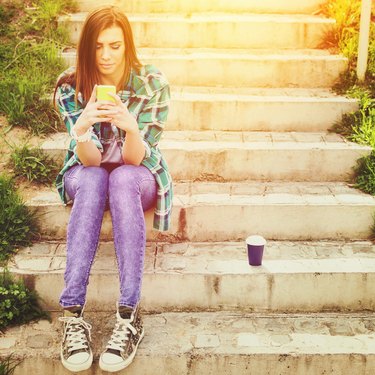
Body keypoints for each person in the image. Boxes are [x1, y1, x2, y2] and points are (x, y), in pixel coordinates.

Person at [53, 6, 172, 373]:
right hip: (86, 173)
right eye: (98, 46)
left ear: (127, 46)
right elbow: (88, 162)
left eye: (115, 46)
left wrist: (131, 128)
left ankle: (129, 315)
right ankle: (73, 315)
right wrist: (82, 128)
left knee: (119, 177)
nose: (105, 56)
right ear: (87, 49)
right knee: (95, 178)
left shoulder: (152, 83)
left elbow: (136, 160)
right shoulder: (69, 87)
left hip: (136, 175)